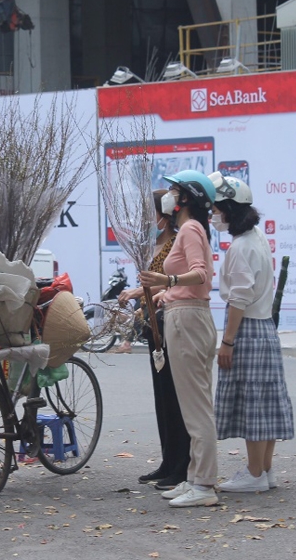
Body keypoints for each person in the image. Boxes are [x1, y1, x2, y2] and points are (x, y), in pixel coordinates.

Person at [208, 172, 294, 493]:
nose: (215, 214)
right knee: (266, 401)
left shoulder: (242, 248)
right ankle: (265, 470)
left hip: (247, 331)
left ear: (231, 209)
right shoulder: (256, 237)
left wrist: (227, 341)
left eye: (218, 208)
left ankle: (254, 473)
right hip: (264, 330)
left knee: (253, 404)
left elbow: (239, 299)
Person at [139, 169, 220, 508]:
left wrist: (166, 280)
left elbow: (201, 274)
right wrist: (163, 292)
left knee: (196, 408)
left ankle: (203, 484)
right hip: (183, 314)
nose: (168, 196)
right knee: (192, 406)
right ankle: (194, 477)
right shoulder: (193, 228)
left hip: (187, 319)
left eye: (173, 190)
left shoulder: (189, 228)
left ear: (185, 197)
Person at [117, 189, 192, 490]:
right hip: (153, 326)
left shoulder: (176, 243)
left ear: (164, 214)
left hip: (170, 321)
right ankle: (167, 460)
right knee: (161, 397)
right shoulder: (152, 244)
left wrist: (138, 292)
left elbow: (170, 283)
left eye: (151, 213)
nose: (148, 219)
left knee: (175, 397)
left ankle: (181, 466)